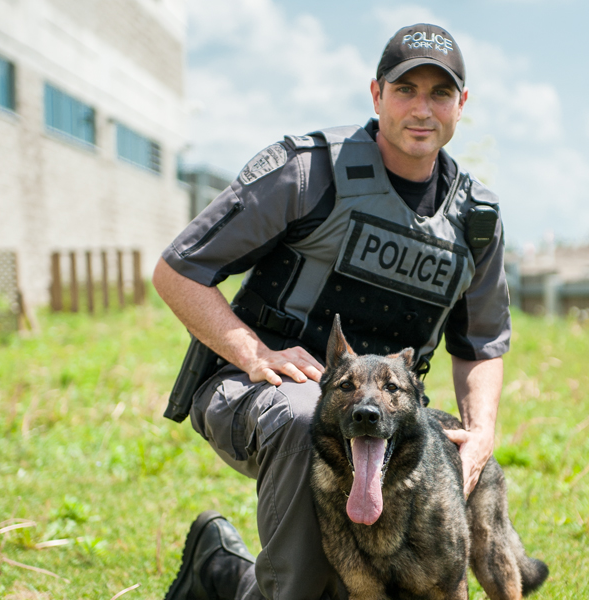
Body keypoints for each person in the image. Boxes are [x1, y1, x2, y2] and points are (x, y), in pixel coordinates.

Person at [153, 23, 510, 600]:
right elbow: (177, 269)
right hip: (261, 391)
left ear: (460, 105)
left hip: (378, 412)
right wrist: (255, 352)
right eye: (405, 90)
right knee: (304, 418)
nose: (422, 108)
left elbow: (482, 343)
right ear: (376, 94)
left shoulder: (475, 219)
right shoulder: (307, 171)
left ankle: (217, 566)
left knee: (362, 582)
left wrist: (481, 432)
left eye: (439, 93)